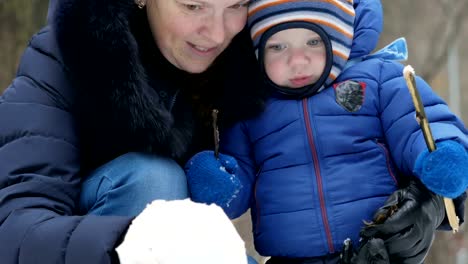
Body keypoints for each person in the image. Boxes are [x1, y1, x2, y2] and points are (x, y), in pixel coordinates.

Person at [185, 0, 468, 263]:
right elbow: (239, 173)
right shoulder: (254, 106)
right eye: (278, 47)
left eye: (312, 41)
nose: (297, 61)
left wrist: (441, 151)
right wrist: (220, 183)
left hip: (376, 250)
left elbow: (417, 124)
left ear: (340, 39)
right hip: (292, 258)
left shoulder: (378, 79)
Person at [0, 0, 267, 263]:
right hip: (97, 249)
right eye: (193, 6)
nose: (217, 34)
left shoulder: (266, 60)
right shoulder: (65, 56)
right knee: (154, 178)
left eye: (235, 6)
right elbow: (14, 231)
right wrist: (135, 242)